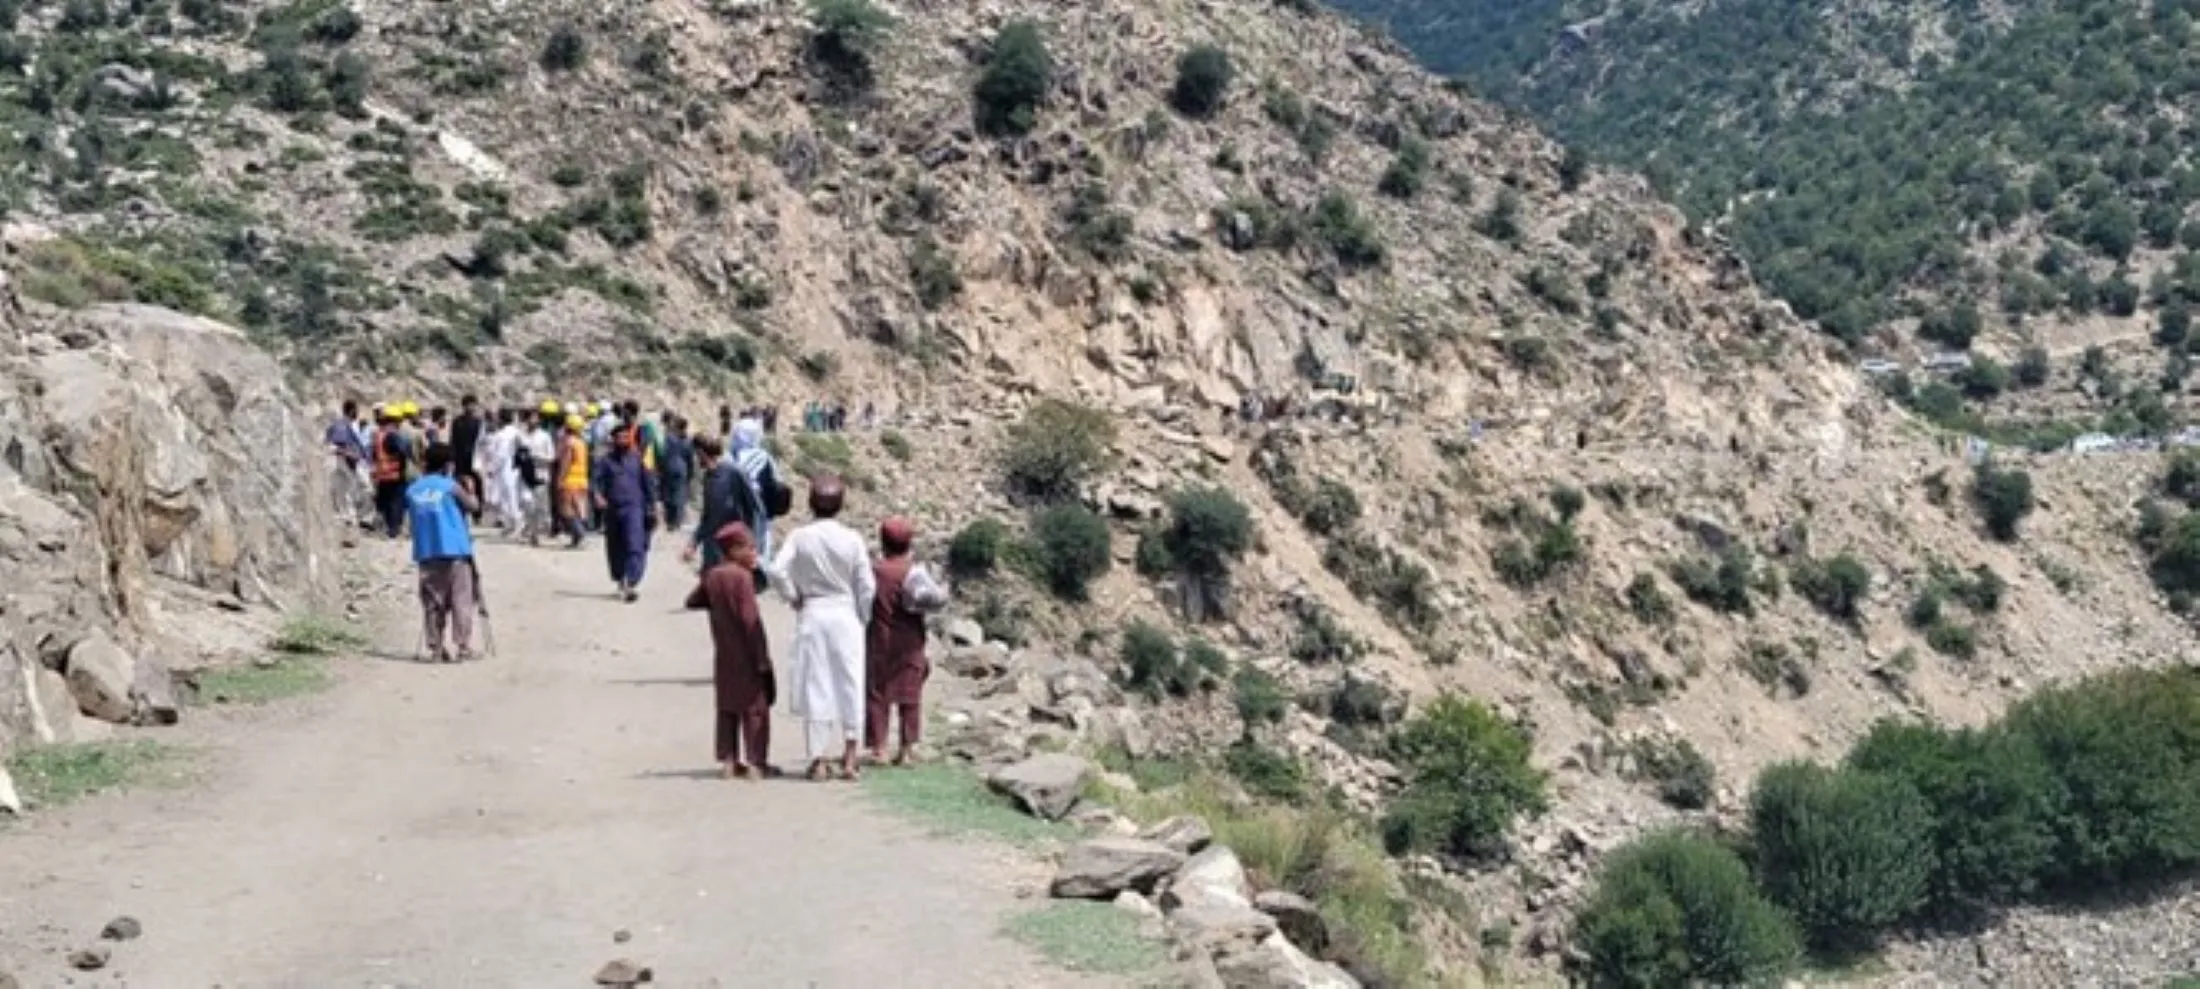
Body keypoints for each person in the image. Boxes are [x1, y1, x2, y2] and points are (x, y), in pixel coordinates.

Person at [768, 474, 874, 781]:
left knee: (817, 682)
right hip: (845, 613)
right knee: (850, 682)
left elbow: (776, 569)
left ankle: (818, 759)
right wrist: (863, 615)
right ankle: (851, 756)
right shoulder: (852, 539)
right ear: (841, 504)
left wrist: (793, 596)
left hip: (813, 611)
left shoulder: (800, 537)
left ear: (811, 503)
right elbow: (865, 585)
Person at [686, 521, 775, 780]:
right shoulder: (742, 578)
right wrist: (762, 657)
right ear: (734, 550)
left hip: (724, 654)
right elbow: (750, 621)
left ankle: (728, 759)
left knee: (727, 707)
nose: (754, 554)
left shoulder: (713, 575)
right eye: (749, 549)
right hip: (747, 655)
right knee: (755, 708)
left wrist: (714, 601)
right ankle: (756, 762)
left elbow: (692, 601)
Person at [866, 517, 949, 767]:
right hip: (910, 640)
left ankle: (879, 747)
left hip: (879, 638)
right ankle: (906, 749)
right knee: (910, 694)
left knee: (877, 693)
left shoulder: (874, 571)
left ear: (883, 543)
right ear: (909, 543)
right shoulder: (914, 572)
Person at [406, 443, 480, 663]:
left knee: (432, 602)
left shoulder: (413, 490)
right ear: (448, 465)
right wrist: (471, 490)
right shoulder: (451, 487)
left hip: (427, 552)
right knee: (461, 599)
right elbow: (473, 507)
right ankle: (463, 646)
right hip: (455, 550)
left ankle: (436, 647)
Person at [594, 426, 658, 601]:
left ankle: (631, 582)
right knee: (615, 547)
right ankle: (620, 578)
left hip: (634, 508)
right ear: (613, 440)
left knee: (635, 545)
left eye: (625, 437)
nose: (623, 440)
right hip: (612, 509)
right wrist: (598, 495)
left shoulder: (638, 460)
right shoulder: (605, 461)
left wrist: (653, 507)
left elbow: (649, 484)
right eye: (619, 437)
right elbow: (595, 482)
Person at [326, 399, 370, 529]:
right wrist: (351, 455)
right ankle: (352, 519)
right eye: (356, 410)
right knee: (351, 490)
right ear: (352, 411)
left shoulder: (347, 425)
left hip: (348, 462)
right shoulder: (342, 426)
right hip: (345, 462)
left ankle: (351, 518)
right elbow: (335, 445)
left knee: (347, 491)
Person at [370, 405, 411, 538]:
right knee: (395, 502)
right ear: (396, 420)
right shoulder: (393, 435)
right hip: (394, 474)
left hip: (382, 473)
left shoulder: (379, 434)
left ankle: (386, 528)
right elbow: (403, 452)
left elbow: (374, 454)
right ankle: (394, 529)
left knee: (386, 502)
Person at [483, 408, 524, 537]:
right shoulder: (512, 432)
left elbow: (501, 455)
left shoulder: (505, 434)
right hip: (509, 468)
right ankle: (509, 524)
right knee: (505, 497)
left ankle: (517, 523)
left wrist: (492, 468)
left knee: (509, 497)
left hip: (506, 469)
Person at [555, 413, 591, 548]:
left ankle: (580, 534)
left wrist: (560, 479)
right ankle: (576, 539)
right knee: (579, 510)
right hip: (582, 480)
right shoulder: (582, 442)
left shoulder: (569, 442)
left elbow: (566, 462)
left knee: (567, 510)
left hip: (570, 480)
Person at [450, 395, 486, 523]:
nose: (471, 407)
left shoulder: (479, 422)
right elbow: (453, 441)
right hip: (460, 458)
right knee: (459, 483)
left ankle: (478, 513)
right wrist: (452, 458)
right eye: (468, 404)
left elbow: (482, 442)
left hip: (475, 458)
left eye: (473, 404)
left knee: (478, 484)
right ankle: (461, 509)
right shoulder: (457, 422)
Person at [661, 415, 695, 532]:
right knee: (679, 495)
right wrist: (690, 473)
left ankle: (670, 521)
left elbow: (664, 453)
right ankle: (676, 521)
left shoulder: (669, 438)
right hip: (682, 469)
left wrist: (661, 468)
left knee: (668, 495)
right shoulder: (688, 441)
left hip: (669, 468)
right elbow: (690, 458)